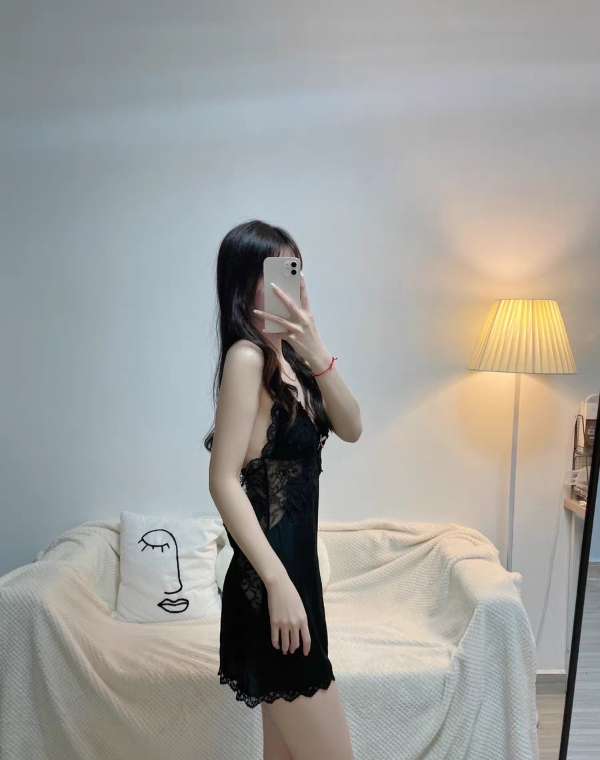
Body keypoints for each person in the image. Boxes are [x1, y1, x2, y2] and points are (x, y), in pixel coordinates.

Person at [206, 220, 362, 760]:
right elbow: (222, 480)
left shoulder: (293, 362)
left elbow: (353, 426)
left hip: (299, 584)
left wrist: (314, 345)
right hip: (271, 586)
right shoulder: (247, 359)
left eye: (292, 270)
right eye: (272, 272)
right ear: (244, 283)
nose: (285, 286)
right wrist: (278, 584)